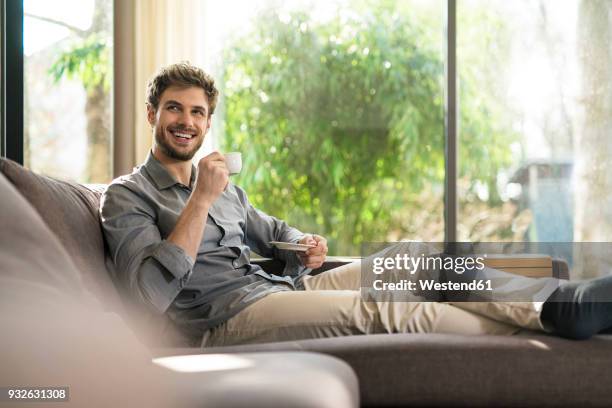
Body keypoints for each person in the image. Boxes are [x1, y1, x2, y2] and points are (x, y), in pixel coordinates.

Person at [100, 62, 612, 347]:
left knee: (417, 260)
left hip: (281, 286)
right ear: (152, 113)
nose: (186, 121)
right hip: (224, 320)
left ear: (208, 122)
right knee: (388, 307)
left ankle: (559, 303)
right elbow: (148, 296)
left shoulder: (223, 187)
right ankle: (559, 321)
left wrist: (301, 245)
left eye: (197, 111)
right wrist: (199, 199)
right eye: (174, 109)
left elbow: (271, 230)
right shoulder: (125, 196)